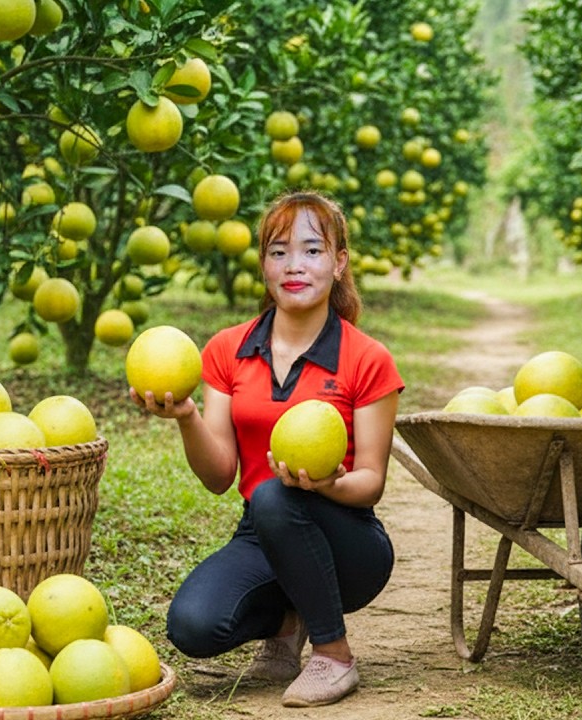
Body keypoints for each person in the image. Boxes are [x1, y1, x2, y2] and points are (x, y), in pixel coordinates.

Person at [129, 190, 403, 707]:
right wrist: (186, 415)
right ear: (263, 266)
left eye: (312, 250)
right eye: (279, 252)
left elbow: (371, 483)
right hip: (261, 529)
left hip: (348, 539)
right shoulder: (227, 350)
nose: (294, 265)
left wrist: (328, 483)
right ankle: (287, 624)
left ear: (339, 263)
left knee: (276, 495)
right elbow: (219, 477)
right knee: (193, 626)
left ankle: (334, 654)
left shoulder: (367, 359)